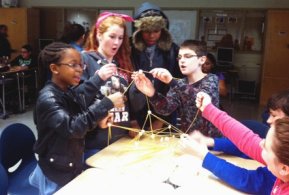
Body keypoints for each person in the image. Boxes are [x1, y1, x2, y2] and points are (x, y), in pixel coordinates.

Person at [29, 42, 125, 194]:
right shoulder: (48, 98)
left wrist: (99, 121)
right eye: (73, 65)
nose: (79, 70)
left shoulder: (66, 90)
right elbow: (73, 128)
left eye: (81, 65)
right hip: (57, 172)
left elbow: (81, 98)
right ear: (54, 68)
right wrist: (107, 103)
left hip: (69, 163)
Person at [181, 90, 289, 195]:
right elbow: (247, 140)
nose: (260, 143)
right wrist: (208, 109)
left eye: (266, 147)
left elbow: (251, 180)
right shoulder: (287, 162)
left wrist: (204, 155)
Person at [132, 40, 222, 137]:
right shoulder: (180, 84)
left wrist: (171, 81)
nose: (182, 60)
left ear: (202, 60)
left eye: (187, 56)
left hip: (212, 143)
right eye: (179, 57)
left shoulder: (211, 79)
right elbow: (165, 109)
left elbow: (199, 98)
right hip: (189, 141)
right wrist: (152, 93)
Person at [81, 11, 138, 153]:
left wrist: (133, 120)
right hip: (96, 141)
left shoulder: (123, 63)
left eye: (120, 37)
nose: (117, 42)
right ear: (99, 35)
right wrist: (96, 120)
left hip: (122, 137)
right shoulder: (85, 60)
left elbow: (127, 99)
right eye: (112, 36)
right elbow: (77, 99)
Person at [129, 2, 183, 130]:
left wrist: (163, 120)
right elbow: (123, 85)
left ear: (163, 30)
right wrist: (131, 120)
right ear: (139, 30)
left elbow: (176, 86)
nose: (152, 35)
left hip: (164, 114)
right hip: (134, 115)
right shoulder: (128, 49)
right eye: (146, 31)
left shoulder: (173, 51)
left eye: (156, 31)